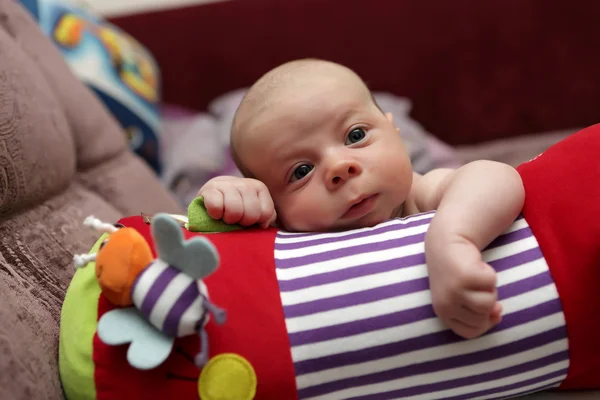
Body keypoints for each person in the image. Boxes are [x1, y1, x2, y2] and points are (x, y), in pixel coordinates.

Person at [197, 59, 525, 340]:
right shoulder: (289, 233)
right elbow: (228, 264)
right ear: (273, 202)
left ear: (396, 134)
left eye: (355, 136)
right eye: (301, 171)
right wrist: (231, 202)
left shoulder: (419, 194)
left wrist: (453, 237)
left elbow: (495, 176)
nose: (339, 167)